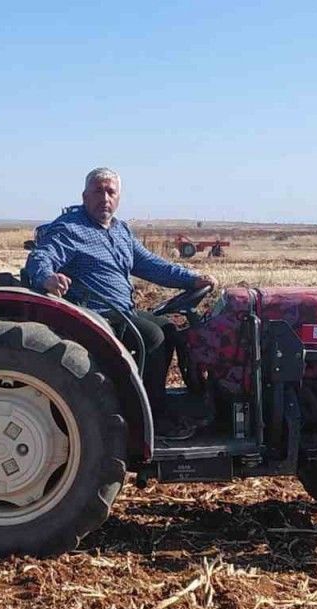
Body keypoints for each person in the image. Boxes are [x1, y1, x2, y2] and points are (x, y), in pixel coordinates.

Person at [24, 167, 217, 439]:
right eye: (97, 191)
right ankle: (150, 418)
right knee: (153, 337)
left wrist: (191, 279)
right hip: (96, 314)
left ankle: (192, 399)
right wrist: (48, 277)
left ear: (118, 198)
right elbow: (41, 257)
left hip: (123, 310)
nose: (104, 198)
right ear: (85, 196)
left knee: (170, 329)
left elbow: (150, 264)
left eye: (110, 192)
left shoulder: (120, 230)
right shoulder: (70, 229)